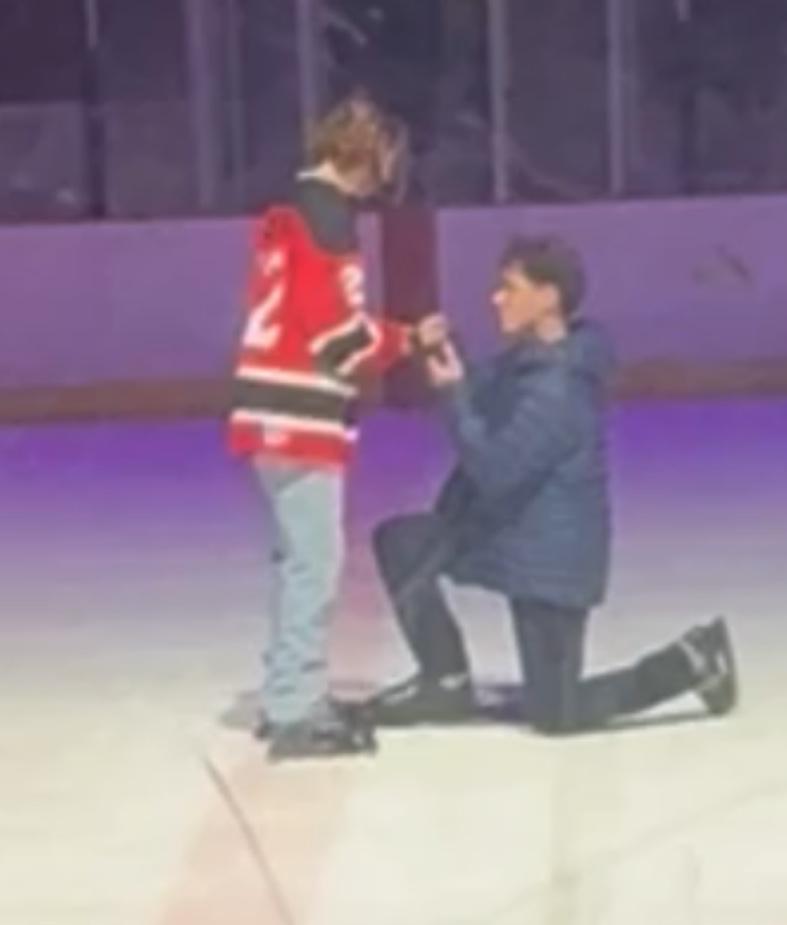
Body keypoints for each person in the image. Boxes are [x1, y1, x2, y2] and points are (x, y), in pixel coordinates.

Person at [368, 235, 738, 734]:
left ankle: (690, 661)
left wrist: (452, 394)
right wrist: (446, 352)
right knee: (403, 543)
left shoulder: (559, 387)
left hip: (550, 561)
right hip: (506, 533)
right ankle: (445, 679)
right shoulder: (530, 360)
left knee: (555, 713)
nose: (495, 298)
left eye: (509, 287)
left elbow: (495, 470)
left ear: (547, 297)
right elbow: (484, 393)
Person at [228, 94, 445, 761]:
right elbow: (337, 341)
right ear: (364, 157)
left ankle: (286, 693)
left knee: (297, 562)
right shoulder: (329, 219)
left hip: (265, 410)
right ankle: (294, 706)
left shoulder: (288, 211)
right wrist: (407, 339)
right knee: (314, 566)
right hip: (299, 417)